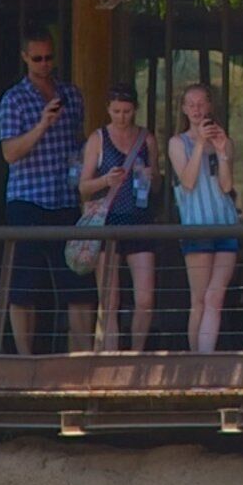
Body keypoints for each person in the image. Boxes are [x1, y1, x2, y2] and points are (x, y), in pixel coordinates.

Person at [0, 34, 85, 353]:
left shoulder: (71, 93)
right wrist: (42, 124)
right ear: (24, 58)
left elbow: (79, 142)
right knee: (24, 285)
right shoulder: (14, 99)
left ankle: (79, 355)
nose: (45, 65)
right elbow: (10, 152)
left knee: (78, 282)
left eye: (49, 58)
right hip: (28, 199)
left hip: (66, 198)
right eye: (38, 59)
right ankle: (24, 358)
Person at [80, 89, 164, 353]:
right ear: (108, 109)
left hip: (139, 220)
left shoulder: (146, 138)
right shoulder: (98, 139)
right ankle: (108, 356)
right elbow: (83, 187)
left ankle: (136, 353)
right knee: (109, 298)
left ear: (135, 110)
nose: (121, 117)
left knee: (145, 297)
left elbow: (158, 187)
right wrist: (106, 180)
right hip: (107, 221)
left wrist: (152, 176)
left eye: (127, 111)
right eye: (116, 111)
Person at [169, 82, 242, 355]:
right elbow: (187, 182)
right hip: (196, 224)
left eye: (202, 104)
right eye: (192, 105)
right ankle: (195, 363)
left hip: (224, 222)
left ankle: (207, 358)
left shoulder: (225, 141)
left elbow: (226, 186)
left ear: (210, 106)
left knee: (216, 296)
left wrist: (221, 151)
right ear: (185, 109)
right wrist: (199, 143)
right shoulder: (177, 143)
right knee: (199, 299)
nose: (197, 110)